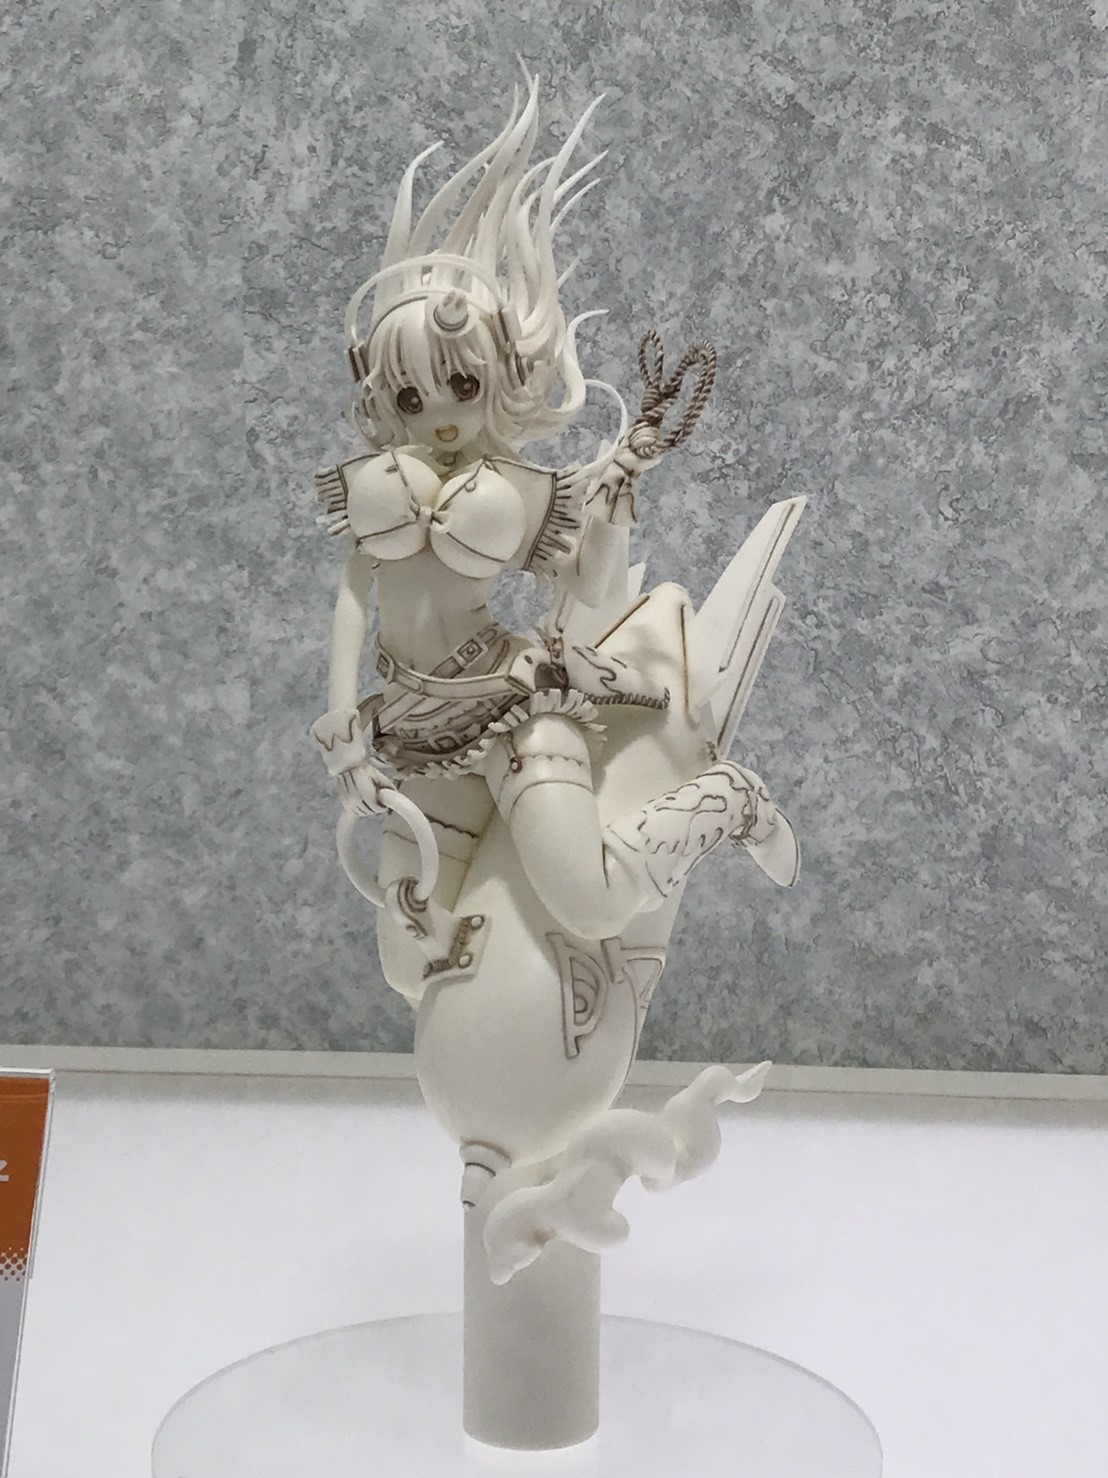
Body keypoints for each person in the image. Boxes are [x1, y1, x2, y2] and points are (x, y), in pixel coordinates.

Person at [309, 77, 797, 1001]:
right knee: (408, 966)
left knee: (594, 899)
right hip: (411, 728)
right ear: (382, 395)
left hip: (512, 709)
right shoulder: (373, 484)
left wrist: (615, 496)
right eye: (412, 394)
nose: (440, 411)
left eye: (461, 385)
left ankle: (727, 799)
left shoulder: (521, 489)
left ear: (496, 374)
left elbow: (588, 588)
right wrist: (341, 725)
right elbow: (351, 595)